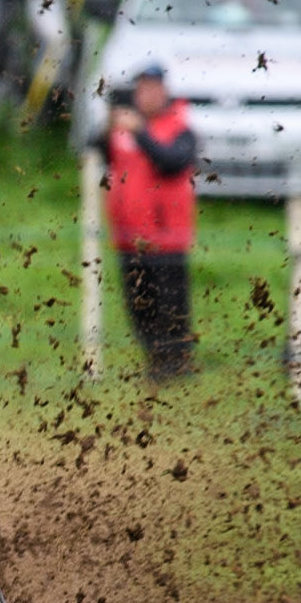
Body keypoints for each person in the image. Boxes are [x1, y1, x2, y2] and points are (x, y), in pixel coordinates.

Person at [102, 63, 198, 380]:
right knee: (140, 308)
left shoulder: (180, 128)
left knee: (170, 306)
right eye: (141, 89)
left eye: (153, 88)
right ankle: (157, 365)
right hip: (129, 236)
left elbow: (172, 162)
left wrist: (140, 133)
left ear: (165, 91)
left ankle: (177, 365)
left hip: (167, 238)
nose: (146, 95)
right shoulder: (121, 130)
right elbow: (96, 149)